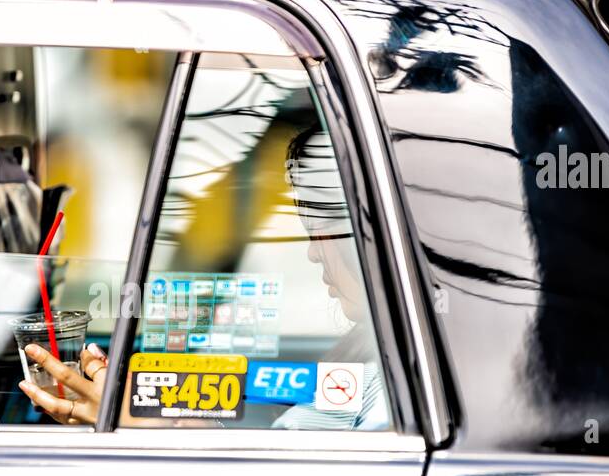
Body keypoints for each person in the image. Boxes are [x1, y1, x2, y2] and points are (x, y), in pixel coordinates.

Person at [19, 124, 388, 430]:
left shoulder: (390, 395)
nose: (313, 251)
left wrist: (135, 422)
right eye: (309, 231)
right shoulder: (375, 368)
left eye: (320, 229)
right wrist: (191, 428)